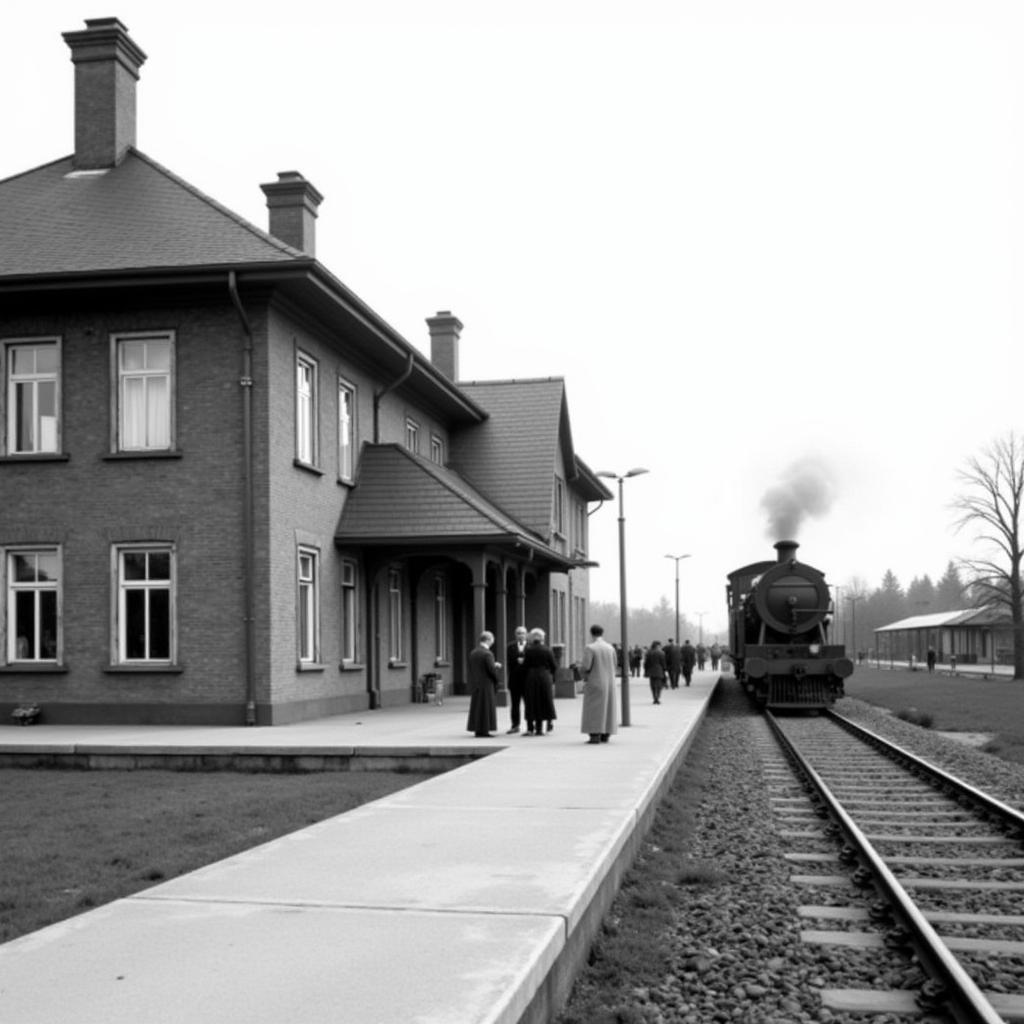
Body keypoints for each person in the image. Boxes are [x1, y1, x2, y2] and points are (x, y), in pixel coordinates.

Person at [580, 624, 618, 743]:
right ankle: (606, 733)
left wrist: (581, 672)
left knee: (594, 709)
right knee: (608, 707)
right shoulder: (610, 648)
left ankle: (595, 734)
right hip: (610, 682)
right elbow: (615, 664)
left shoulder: (590, 648)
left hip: (595, 681)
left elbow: (586, 666)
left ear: (591, 633)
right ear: (602, 633)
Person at [522, 627, 557, 736]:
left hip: (531, 677)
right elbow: (554, 666)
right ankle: (539, 728)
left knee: (531, 701)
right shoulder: (547, 650)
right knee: (543, 701)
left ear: (532, 638)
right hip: (544, 677)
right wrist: (552, 676)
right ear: (542, 638)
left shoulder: (528, 650)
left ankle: (529, 728)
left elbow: (525, 665)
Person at [466, 631, 501, 738]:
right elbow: (491, 670)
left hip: (476, 683)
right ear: (488, 640)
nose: (493, 642)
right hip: (486, 684)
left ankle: (477, 729)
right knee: (486, 707)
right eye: (492, 640)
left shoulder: (473, 652)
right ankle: (485, 730)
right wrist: (497, 675)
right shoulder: (488, 653)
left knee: (477, 707)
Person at [505, 626, 529, 733]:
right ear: (515, 635)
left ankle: (530, 726)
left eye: (523, 633)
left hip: (527, 681)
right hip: (514, 681)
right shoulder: (510, 647)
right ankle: (515, 725)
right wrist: (516, 661)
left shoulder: (530, 647)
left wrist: (524, 662)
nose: (521, 635)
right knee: (515, 704)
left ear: (526, 634)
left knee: (528, 704)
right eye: (518, 633)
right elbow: (508, 663)